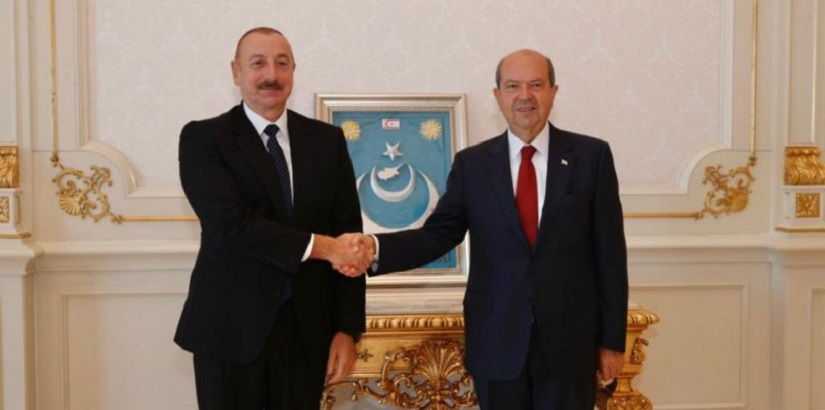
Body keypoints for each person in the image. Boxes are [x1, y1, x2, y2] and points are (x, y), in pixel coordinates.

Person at [348, 49, 628, 409]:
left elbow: (610, 256)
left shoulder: (591, 157)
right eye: (512, 86)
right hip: (497, 341)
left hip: (571, 344)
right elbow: (438, 235)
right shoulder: (473, 165)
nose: (524, 96)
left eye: (536, 85)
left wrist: (611, 341)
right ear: (497, 96)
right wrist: (374, 249)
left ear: (553, 92)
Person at [174, 27, 373, 409]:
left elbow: (348, 233)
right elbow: (230, 226)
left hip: (307, 335)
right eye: (258, 63)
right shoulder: (204, 138)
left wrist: (347, 329)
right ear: (236, 72)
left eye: (282, 64)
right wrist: (324, 247)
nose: (271, 75)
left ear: (294, 71)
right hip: (230, 333)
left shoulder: (327, 141)